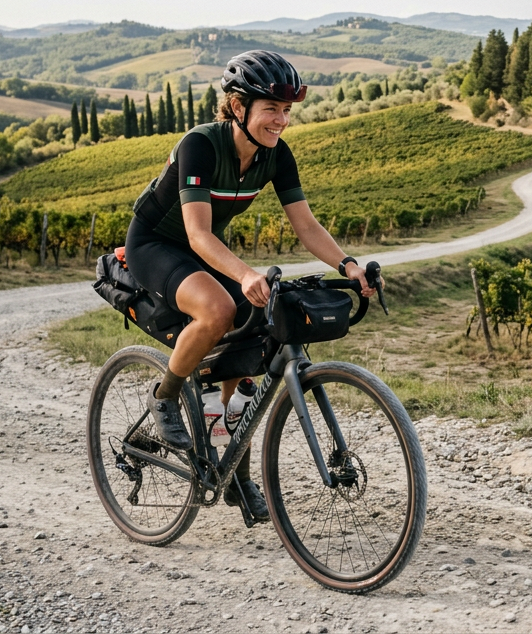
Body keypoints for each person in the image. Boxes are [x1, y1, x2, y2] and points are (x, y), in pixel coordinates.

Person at [125, 50, 373, 519]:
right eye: (271, 109)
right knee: (219, 310)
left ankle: (234, 471)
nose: (281, 120)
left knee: (257, 338)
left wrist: (349, 265)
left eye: (286, 111)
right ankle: (165, 399)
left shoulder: (275, 156)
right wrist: (244, 274)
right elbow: (196, 234)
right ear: (238, 107)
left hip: (203, 247)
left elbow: (306, 225)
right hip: (156, 243)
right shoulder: (201, 144)